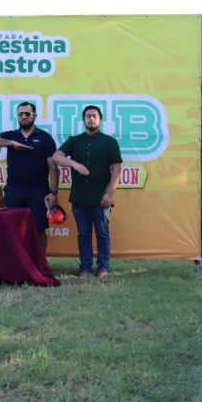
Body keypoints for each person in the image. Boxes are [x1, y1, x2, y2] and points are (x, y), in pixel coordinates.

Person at [53, 105, 123, 278]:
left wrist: (110, 194)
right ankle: (85, 268)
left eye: (94, 116)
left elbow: (116, 169)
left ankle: (103, 268)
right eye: (88, 116)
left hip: (101, 199)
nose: (91, 119)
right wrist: (75, 164)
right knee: (83, 234)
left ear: (100, 119)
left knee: (102, 234)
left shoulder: (109, 142)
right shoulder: (74, 141)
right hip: (79, 198)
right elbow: (56, 156)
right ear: (83, 119)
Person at [0, 102, 60, 252]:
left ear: (34, 116)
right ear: (17, 116)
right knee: (13, 229)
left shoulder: (45, 138)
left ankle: (39, 263)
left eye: (27, 114)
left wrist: (53, 192)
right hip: (14, 190)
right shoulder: (12, 135)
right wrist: (11, 143)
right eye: (21, 114)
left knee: (39, 229)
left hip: (38, 191)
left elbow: (53, 167)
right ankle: (16, 262)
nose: (24, 117)